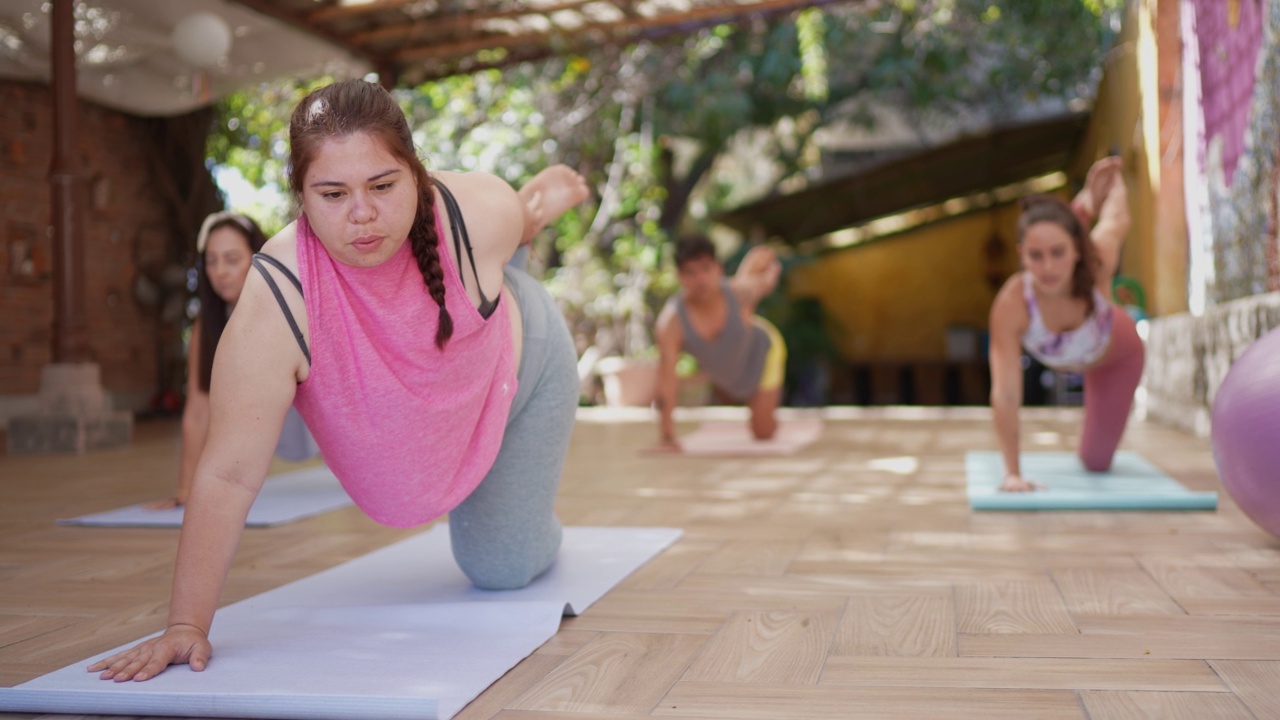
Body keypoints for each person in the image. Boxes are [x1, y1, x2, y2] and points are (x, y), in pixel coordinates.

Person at [90, 78, 590, 682]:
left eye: (383, 185)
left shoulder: (477, 210)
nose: (362, 215)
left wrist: (532, 209)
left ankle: (536, 516)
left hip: (522, 370)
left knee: (500, 568)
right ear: (299, 194)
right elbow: (228, 472)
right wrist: (186, 625)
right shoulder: (278, 296)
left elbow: (514, 226)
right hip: (414, 393)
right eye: (332, 193)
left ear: (416, 174)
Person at [987, 156, 1141, 492]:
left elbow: (1117, 219)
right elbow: (1006, 393)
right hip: (1076, 356)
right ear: (1021, 254)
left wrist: (1115, 185)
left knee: (1095, 462)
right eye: (1035, 256)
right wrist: (1012, 473)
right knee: (1056, 231)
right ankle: (1082, 204)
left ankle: (1084, 205)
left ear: (1076, 253)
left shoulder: (1096, 260)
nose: (1047, 268)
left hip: (1117, 357)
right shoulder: (1012, 302)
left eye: (1058, 253)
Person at [146, 212, 317, 510]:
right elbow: (198, 410)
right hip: (274, 426)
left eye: (232, 259)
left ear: (258, 259)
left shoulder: (293, 305)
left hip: (321, 420)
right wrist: (186, 489)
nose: (220, 271)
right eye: (212, 261)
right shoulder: (208, 325)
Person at [653, 235, 785, 450]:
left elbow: (765, 282)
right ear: (680, 277)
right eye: (690, 272)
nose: (700, 278)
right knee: (728, 391)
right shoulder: (672, 323)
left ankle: (764, 404)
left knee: (763, 433)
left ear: (718, 269)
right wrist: (667, 437)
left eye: (706, 268)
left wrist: (771, 268)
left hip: (764, 352)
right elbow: (667, 379)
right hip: (729, 374)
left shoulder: (740, 292)